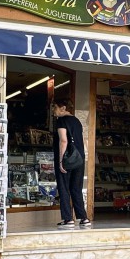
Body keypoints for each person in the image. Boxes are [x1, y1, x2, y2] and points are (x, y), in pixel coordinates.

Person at [52, 98, 91, 229]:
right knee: (76, 188)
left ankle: (68, 219)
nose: (53, 110)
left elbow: (63, 141)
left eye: (55, 107)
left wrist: (61, 160)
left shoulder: (61, 121)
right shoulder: (77, 121)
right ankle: (83, 218)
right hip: (79, 158)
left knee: (64, 188)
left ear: (63, 108)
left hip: (67, 159)